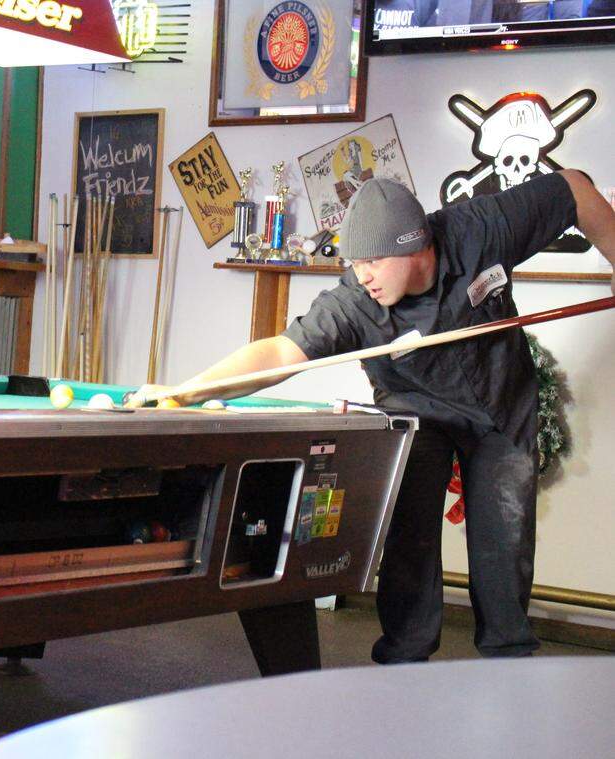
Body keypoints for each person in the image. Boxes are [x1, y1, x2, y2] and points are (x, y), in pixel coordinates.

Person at [135, 171, 615, 662]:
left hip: (501, 407)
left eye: (372, 261)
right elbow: (281, 352)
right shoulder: (355, 301)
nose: (361, 274)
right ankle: (404, 661)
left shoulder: (481, 228)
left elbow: (574, 187)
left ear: (417, 246)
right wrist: (185, 391)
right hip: (414, 411)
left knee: (504, 546)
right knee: (410, 538)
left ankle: (509, 660)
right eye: (354, 261)